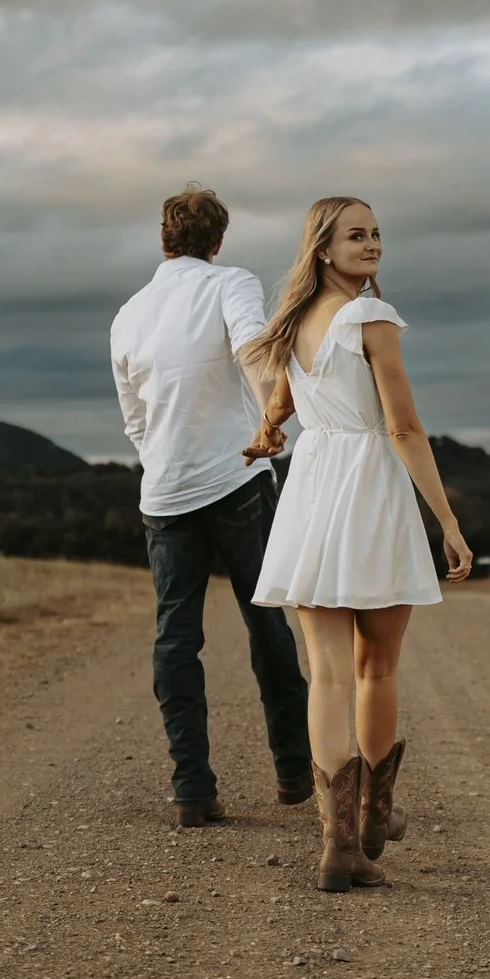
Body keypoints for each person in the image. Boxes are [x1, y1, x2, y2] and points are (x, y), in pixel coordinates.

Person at [242, 196, 474, 892]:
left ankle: (339, 846)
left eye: (376, 233)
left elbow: (281, 401)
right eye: (356, 235)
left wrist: (267, 434)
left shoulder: (295, 322)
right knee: (375, 669)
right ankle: (372, 817)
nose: (372, 244)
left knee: (329, 673)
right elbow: (404, 427)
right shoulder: (369, 317)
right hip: (369, 485)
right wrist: (449, 523)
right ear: (323, 247)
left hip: (313, 488)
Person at [110, 185, 314, 827]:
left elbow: (135, 421)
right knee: (268, 625)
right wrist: (271, 425)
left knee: (176, 638)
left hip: (164, 493)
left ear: (164, 239)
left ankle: (192, 790)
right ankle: (296, 775)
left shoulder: (127, 314)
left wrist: (167, 460)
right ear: (219, 240)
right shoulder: (232, 282)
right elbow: (257, 351)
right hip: (237, 477)